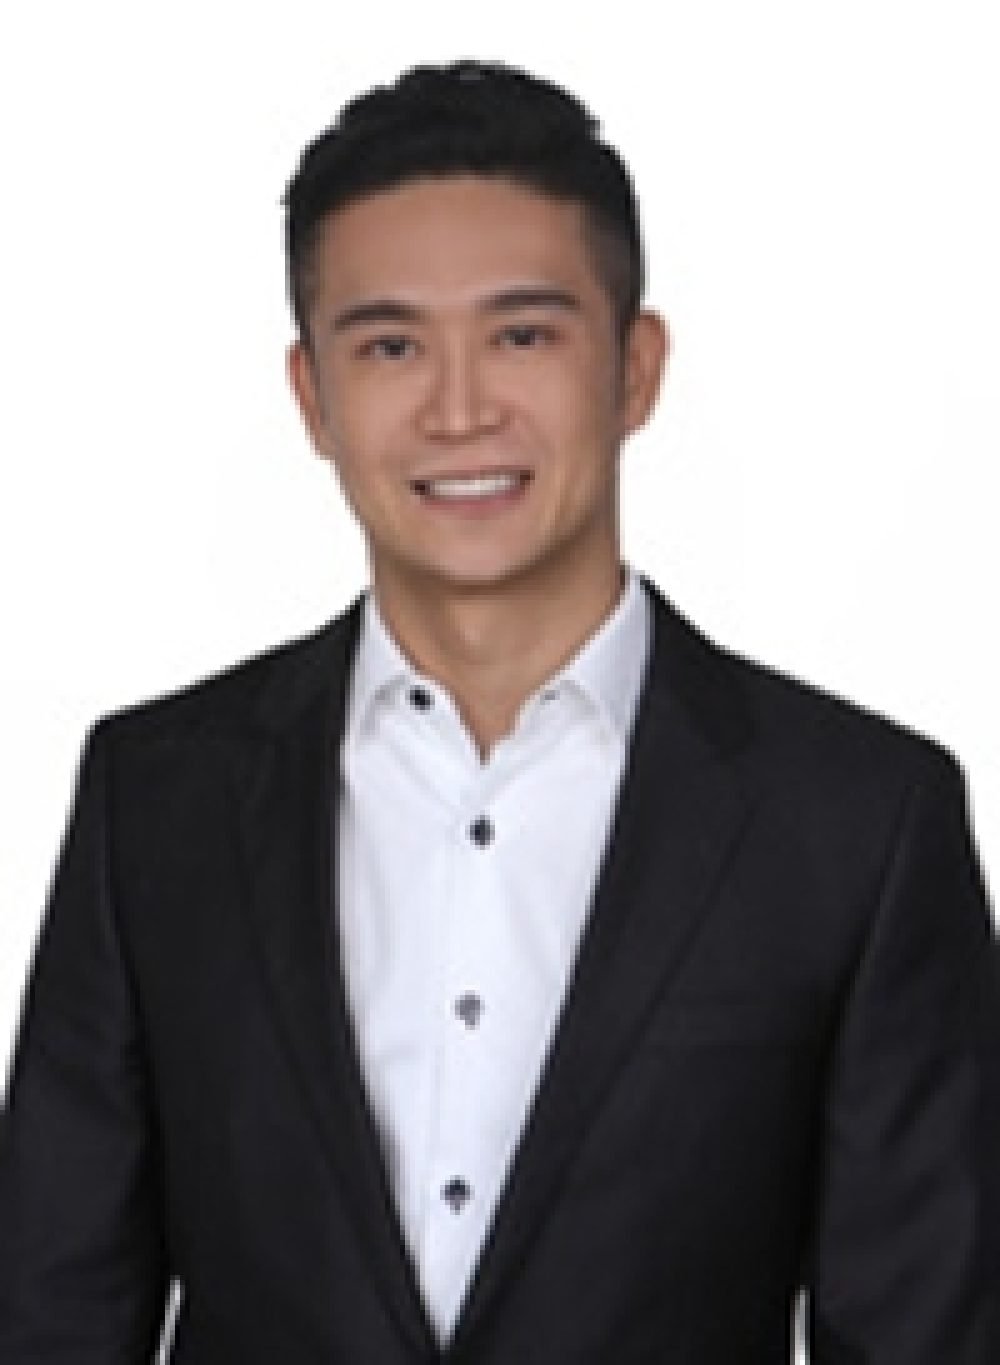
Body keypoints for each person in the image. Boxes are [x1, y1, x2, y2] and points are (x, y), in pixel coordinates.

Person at [0, 58, 996, 1364]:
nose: (460, 408)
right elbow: (51, 1312)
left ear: (635, 369)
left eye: (523, 335)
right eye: (391, 345)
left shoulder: (858, 821)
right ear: (312, 397)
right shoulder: (155, 797)